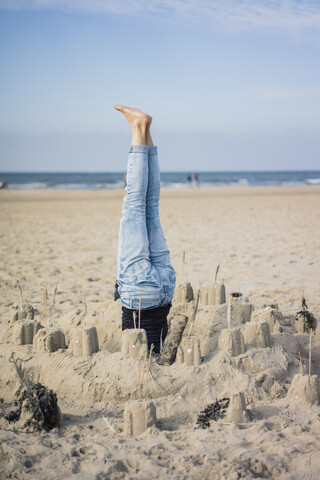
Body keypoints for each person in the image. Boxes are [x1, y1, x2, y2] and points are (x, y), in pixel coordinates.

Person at [114, 105, 176, 353]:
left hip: (166, 289)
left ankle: (145, 130)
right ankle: (138, 128)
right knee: (135, 204)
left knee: (150, 205)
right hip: (140, 291)